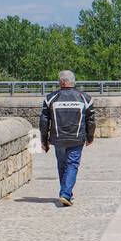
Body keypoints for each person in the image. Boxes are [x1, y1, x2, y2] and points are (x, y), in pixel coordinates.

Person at [40, 70, 95, 207]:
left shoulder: (50, 98)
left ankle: (66, 192)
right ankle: (65, 193)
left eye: (59, 80)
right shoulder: (85, 98)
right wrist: (90, 136)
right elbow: (91, 120)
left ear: (63, 82)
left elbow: (44, 121)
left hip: (58, 139)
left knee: (62, 165)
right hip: (77, 138)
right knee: (72, 164)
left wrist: (44, 140)